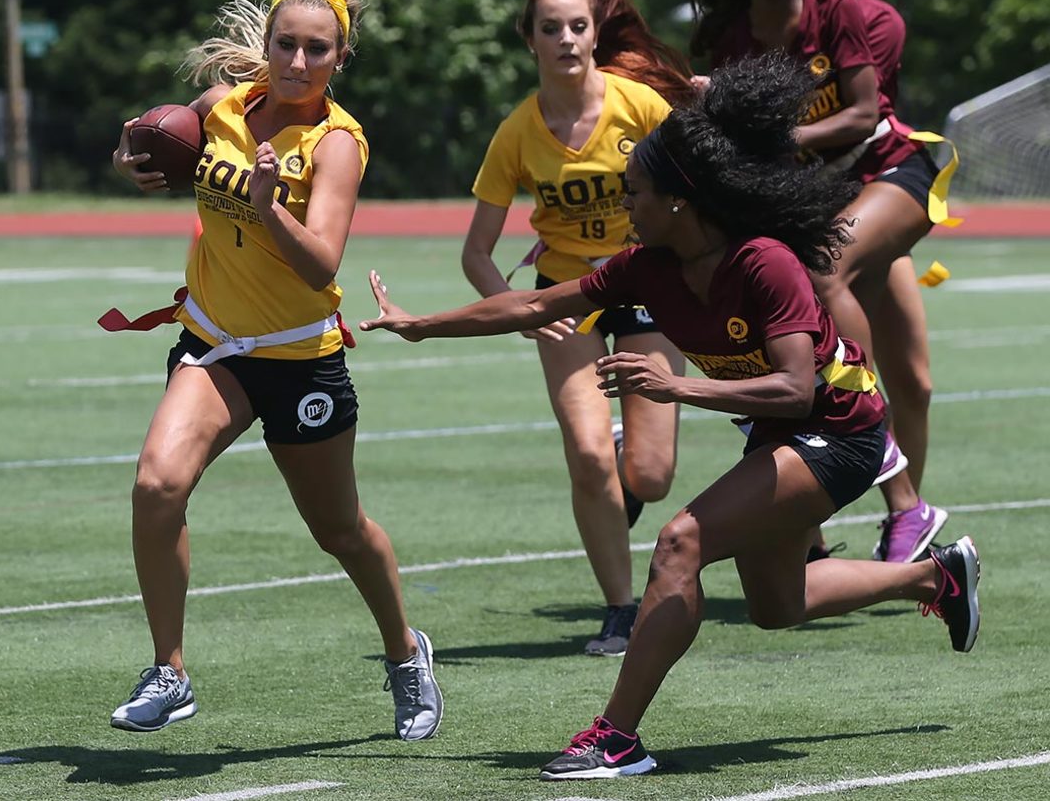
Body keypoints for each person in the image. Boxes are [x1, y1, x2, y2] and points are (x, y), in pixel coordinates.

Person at [360, 52, 980, 780]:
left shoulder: (764, 263)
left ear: (681, 201)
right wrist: (422, 323)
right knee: (776, 605)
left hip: (840, 433)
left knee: (681, 542)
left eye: (637, 194)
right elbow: (534, 303)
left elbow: (795, 391)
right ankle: (934, 579)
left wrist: (677, 389)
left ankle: (616, 738)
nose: (626, 207)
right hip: (787, 429)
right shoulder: (647, 264)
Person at [104, 0, 443, 739]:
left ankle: (403, 651)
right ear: (267, 42)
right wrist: (133, 160)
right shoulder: (220, 107)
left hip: (300, 357)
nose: (298, 61)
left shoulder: (337, 142)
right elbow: (153, 145)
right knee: (157, 486)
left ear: (339, 58)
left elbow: (323, 261)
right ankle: (170, 670)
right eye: (286, 43)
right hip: (217, 344)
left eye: (316, 49)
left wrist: (265, 208)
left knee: (339, 529)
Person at [655, 0, 950, 563]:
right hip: (813, 201)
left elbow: (860, 115)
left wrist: (772, 133)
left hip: (888, 175)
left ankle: (895, 482)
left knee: (823, 276)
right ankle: (809, 526)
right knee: (783, 325)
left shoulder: (841, 13)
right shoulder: (731, 36)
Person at [463, 0, 693, 656]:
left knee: (649, 476)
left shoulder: (641, 108)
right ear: (528, 40)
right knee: (589, 456)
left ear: (596, 35)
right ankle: (621, 609)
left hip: (649, 287)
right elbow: (477, 252)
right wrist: (523, 310)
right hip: (569, 299)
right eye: (550, 28)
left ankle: (625, 460)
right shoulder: (517, 133)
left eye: (577, 26)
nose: (565, 39)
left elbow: (700, 193)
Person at [805, 0, 937, 503]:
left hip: (875, 196)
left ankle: (904, 516)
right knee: (824, 382)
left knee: (914, 383)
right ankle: (817, 534)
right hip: (820, 212)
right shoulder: (780, 25)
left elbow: (854, 120)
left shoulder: (876, 18)